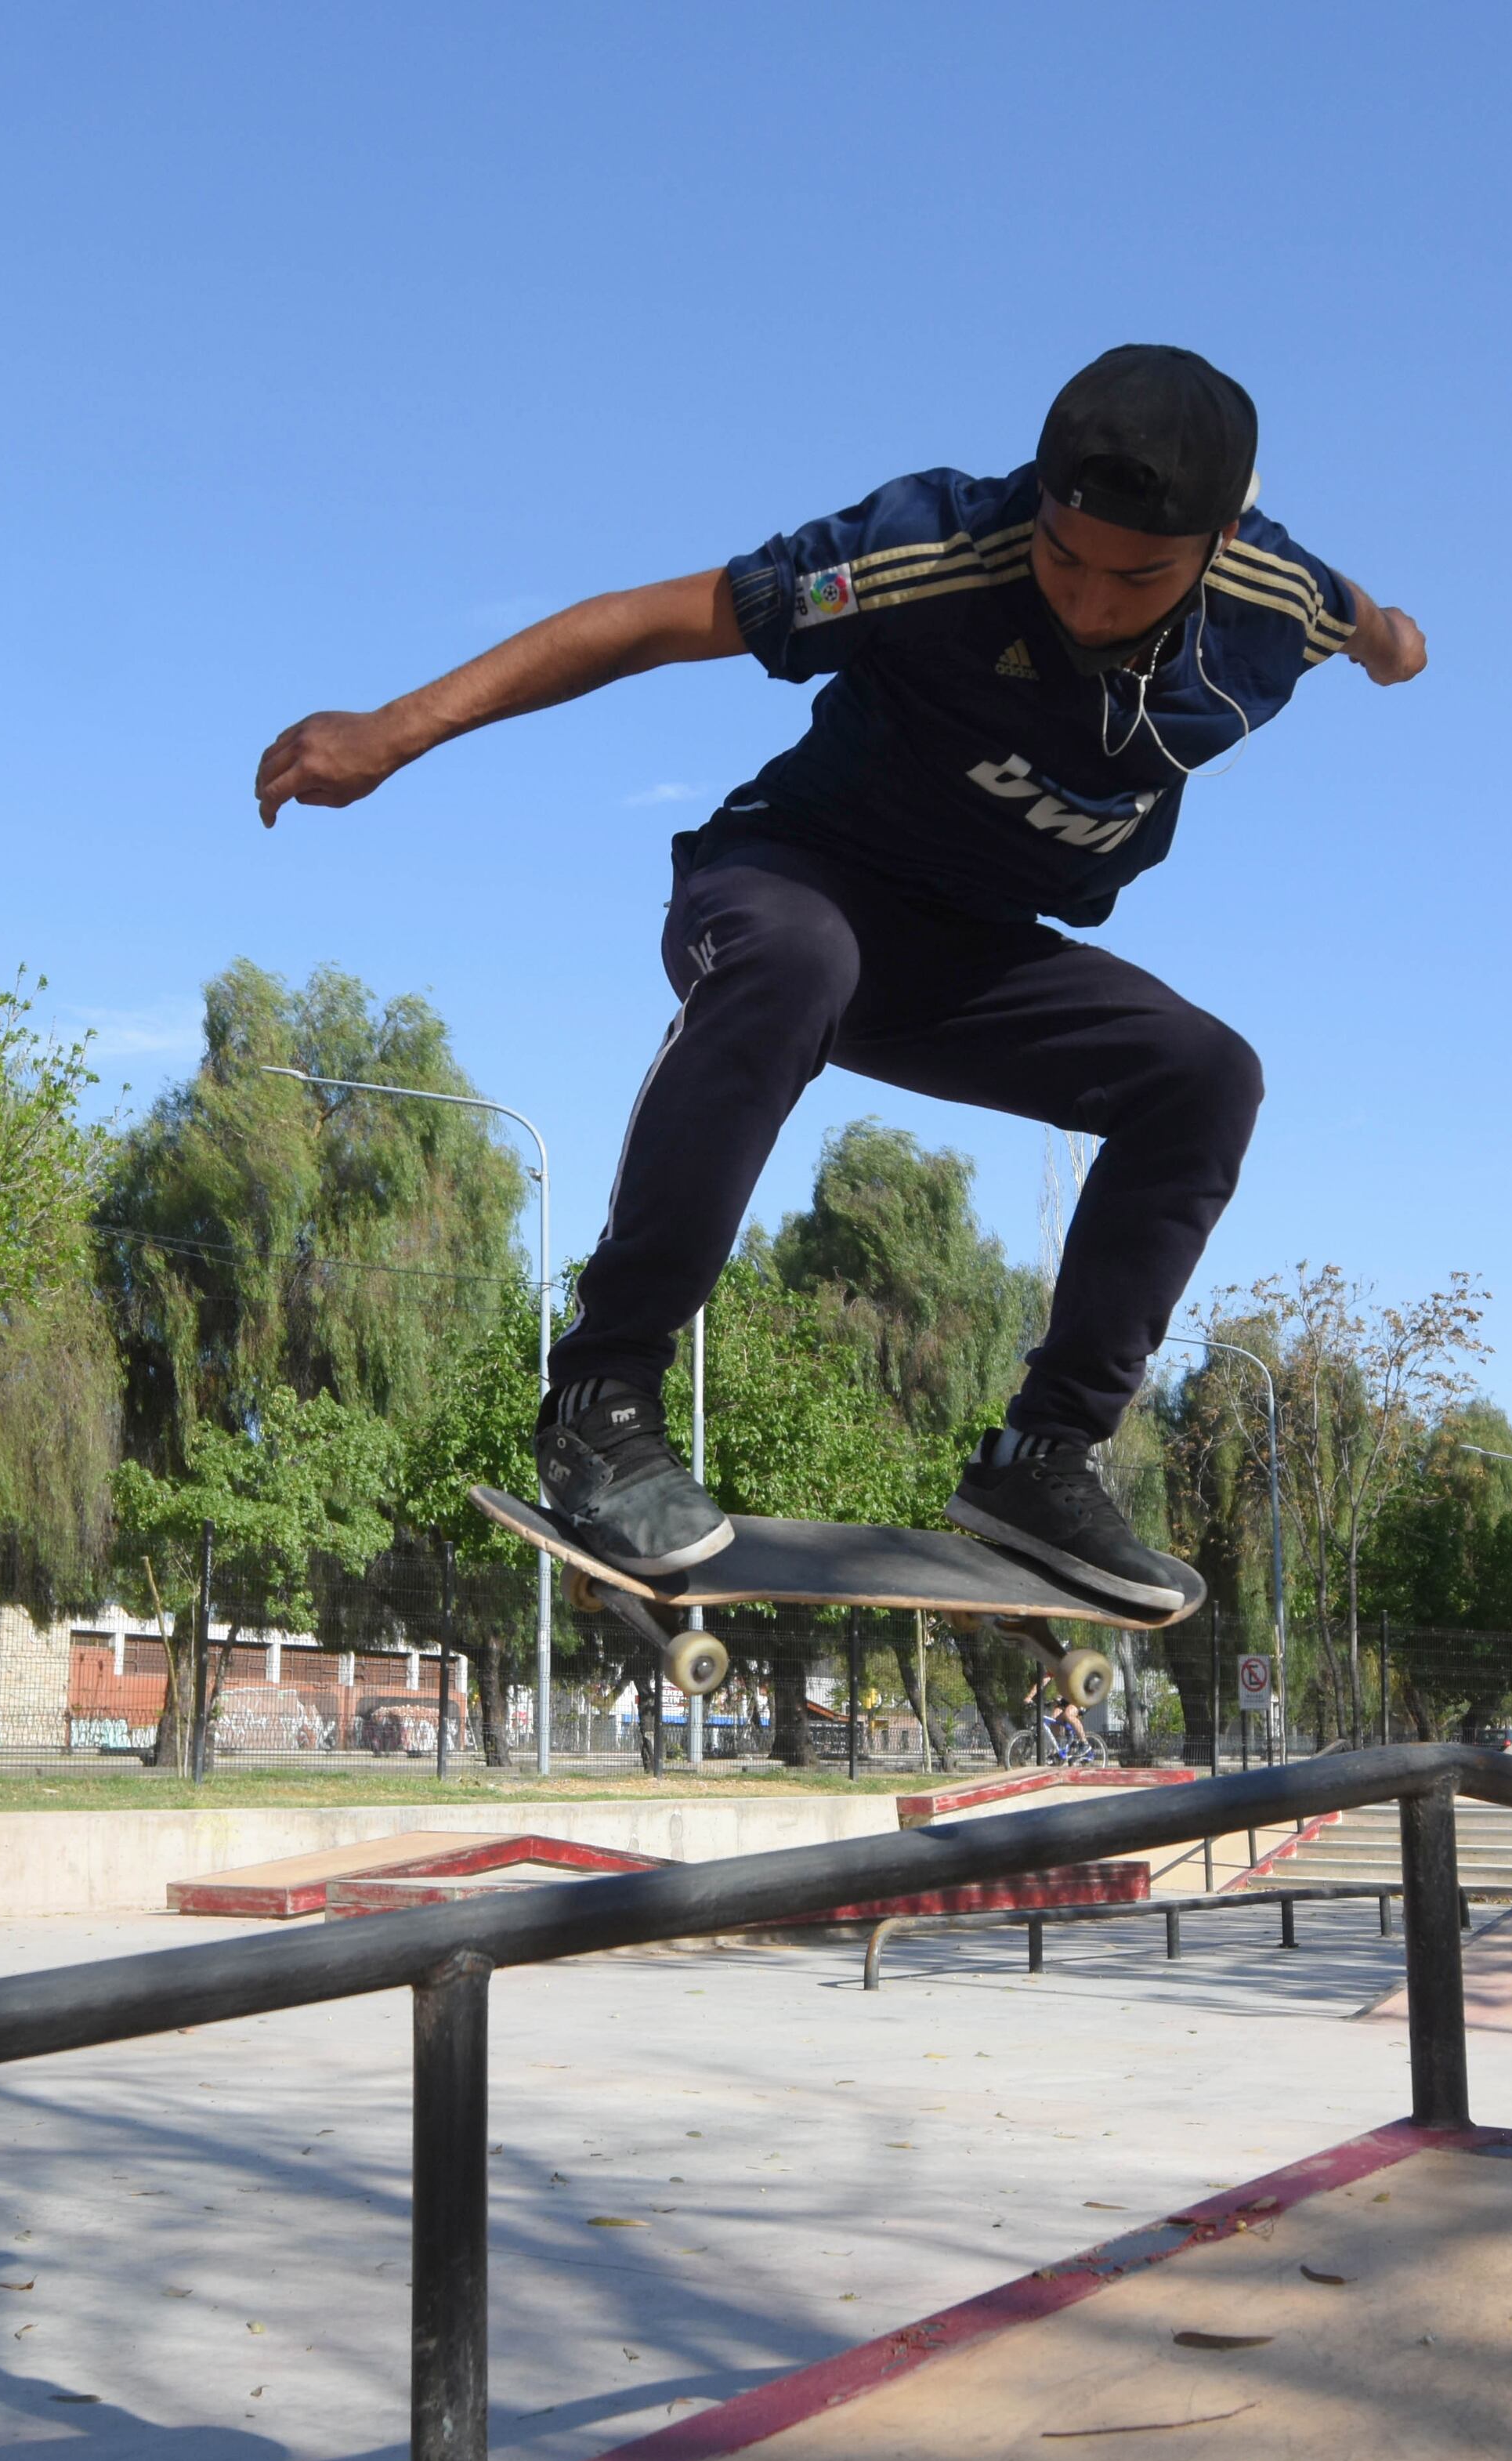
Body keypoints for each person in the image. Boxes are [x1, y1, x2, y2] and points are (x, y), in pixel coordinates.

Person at [256, 346, 1425, 1609]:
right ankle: (603, 1393)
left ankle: (1046, 1457)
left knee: (1205, 1076)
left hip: (970, 950)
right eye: (1062, 557)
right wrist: (396, 730)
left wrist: (1393, 647)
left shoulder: (1279, 595)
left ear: (1220, 538)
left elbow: (1370, 622)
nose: (1088, 602)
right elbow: (651, 622)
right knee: (801, 955)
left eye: (1135, 577)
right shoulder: (930, 545)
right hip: (786, 884)